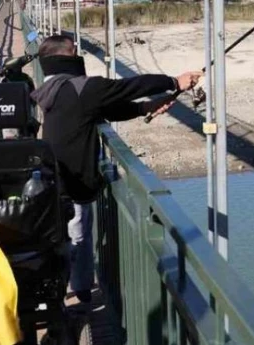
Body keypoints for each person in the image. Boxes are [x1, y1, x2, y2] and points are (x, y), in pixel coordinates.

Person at [29, 34, 200, 304]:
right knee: (78, 240)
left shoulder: (54, 88)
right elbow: (127, 87)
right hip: (76, 182)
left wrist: (146, 107)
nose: (78, 56)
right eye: (75, 51)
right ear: (65, 56)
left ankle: (55, 295)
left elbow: (104, 108)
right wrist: (173, 82)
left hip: (52, 178)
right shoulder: (81, 87)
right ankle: (78, 299)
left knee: (59, 242)